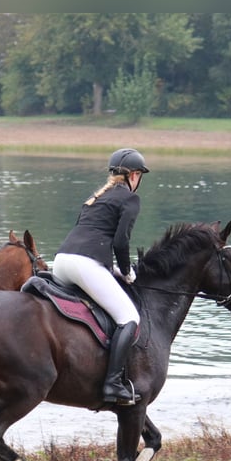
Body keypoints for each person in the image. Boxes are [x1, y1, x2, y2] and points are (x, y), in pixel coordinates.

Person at [53, 148, 149, 405]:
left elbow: (87, 235)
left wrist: (110, 270)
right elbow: (120, 241)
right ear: (134, 175)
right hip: (85, 264)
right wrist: (127, 271)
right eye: (139, 175)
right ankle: (113, 384)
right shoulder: (129, 199)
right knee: (129, 317)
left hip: (62, 262)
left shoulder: (96, 197)